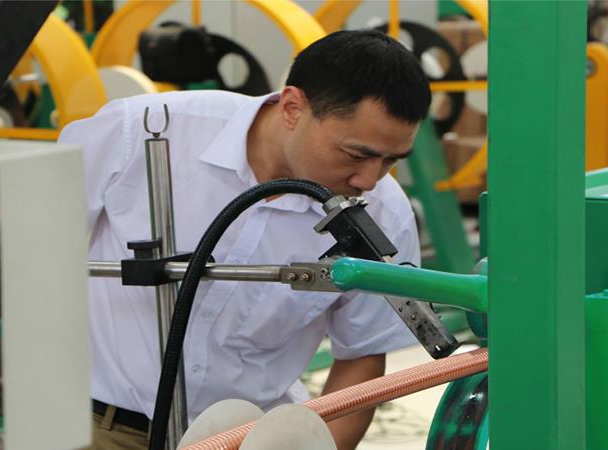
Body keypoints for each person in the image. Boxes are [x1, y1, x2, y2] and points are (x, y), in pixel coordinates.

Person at [58, 29, 431, 450]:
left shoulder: (383, 214)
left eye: (390, 160)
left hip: (244, 437)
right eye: (356, 155)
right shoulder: (141, 131)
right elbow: (26, 245)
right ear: (292, 108)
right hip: (96, 428)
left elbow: (361, 355)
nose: (369, 180)